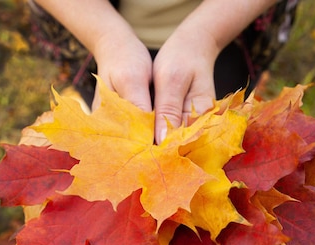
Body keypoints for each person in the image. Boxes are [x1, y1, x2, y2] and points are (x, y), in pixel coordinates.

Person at [28, 0, 298, 142]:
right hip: (85, 25)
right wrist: (104, 37)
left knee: (220, 123)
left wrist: (208, 35)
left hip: (231, 24)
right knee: (101, 93)